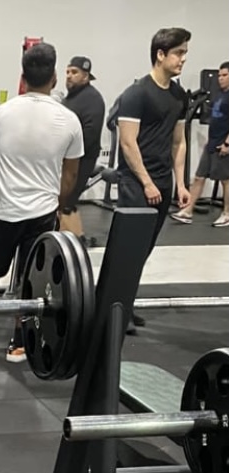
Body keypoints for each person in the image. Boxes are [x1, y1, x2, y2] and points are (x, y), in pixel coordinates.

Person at [0, 42, 83, 362]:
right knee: (30, 279)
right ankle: (19, 342)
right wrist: (58, 203)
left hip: (5, 211)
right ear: (54, 77)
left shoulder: (2, 113)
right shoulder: (70, 120)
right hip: (42, 212)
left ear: (23, 77)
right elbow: (70, 175)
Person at [116, 27, 191, 330]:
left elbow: (178, 142)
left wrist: (181, 184)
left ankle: (125, 305)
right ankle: (115, 310)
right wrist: (146, 182)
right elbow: (127, 143)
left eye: (185, 53)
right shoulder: (137, 93)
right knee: (128, 250)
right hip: (136, 183)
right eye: (178, 53)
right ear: (160, 55)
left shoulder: (179, 96)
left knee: (143, 251)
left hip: (162, 183)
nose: (183, 59)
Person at [171, 61, 229, 227]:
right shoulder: (220, 95)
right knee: (199, 177)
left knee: (225, 180)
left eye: (225, 75)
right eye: (219, 75)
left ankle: (227, 213)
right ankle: (187, 211)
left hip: (223, 144)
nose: (220, 78)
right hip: (212, 143)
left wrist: (227, 144)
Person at [60, 56, 106, 241]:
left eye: (74, 72)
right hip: (67, 158)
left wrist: (68, 154)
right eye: (67, 72)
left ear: (86, 76)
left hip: (81, 160)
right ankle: (78, 238)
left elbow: (90, 135)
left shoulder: (92, 99)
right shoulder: (71, 97)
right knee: (66, 203)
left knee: (64, 202)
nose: (69, 76)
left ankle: (72, 243)